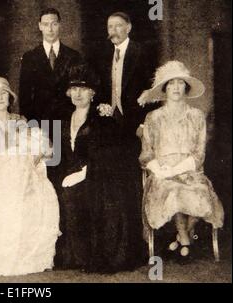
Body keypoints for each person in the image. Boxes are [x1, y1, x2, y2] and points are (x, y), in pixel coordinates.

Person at [0, 77, 60, 276]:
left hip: (22, 173)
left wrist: (35, 151)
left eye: (4, 93)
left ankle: (24, 254)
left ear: (10, 97)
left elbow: (36, 147)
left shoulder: (20, 120)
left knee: (35, 190)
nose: (0, 97)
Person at [55, 65, 139, 273]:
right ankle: (74, 255)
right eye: (73, 89)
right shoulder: (65, 119)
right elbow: (63, 154)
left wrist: (83, 173)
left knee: (86, 196)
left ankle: (93, 255)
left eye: (83, 89)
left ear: (92, 92)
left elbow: (107, 157)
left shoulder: (102, 118)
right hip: (71, 175)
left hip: (98, 178)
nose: (77, 94)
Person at [138, 61, 224, 260]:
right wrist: (162, 171)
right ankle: (186, 240)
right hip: (162, 173)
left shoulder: (196, 116)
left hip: (190, 171)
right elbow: (146, 153)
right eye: (171, 83)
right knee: (174, 191)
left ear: (186, 87)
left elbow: (199, 154)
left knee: (200, 192)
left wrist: (179, 169)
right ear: (164, 89)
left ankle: (181, 236)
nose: (176, 87)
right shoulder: (153, 117)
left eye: (180, 83)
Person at [91, 11, 155, 263]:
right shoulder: (102, 54)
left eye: (118, 25)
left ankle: (137, 246)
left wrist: (142, 123)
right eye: (110, 26)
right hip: (110, 127)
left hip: (133, 127)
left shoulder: (143, 52)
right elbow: (98, 89)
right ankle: (117, 244)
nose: (113, 30)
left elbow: (152, 91)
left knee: (133, 182)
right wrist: (101, 107)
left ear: (129, 27)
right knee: (114, 182)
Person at [19, 7, 82, 124]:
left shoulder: (74, 56)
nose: (50, 29)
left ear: (60, 25)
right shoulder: (30, 57)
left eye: (54, 24)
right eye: (46, 24)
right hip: (39, 120)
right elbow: (25, 94)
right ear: (40, 26)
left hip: (68, 120)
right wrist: (29, 120)